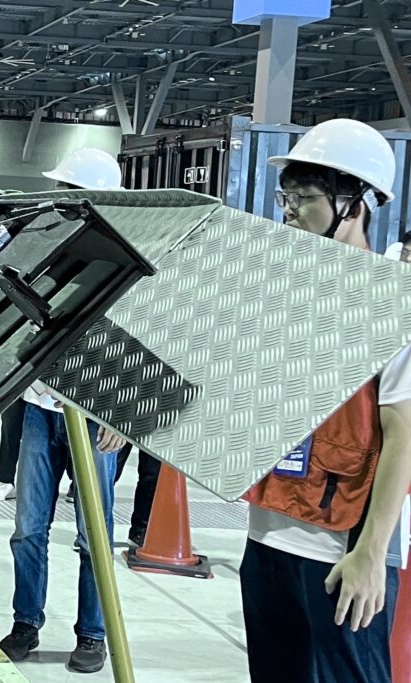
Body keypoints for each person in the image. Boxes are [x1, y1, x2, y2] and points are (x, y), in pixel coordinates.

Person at [241, 118, 411, 683]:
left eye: (305, 198)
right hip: (267, 531)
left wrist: (371, 554)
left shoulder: (392, 304)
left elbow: (404, 436)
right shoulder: (288, 296)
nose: (289, 211)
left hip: (340, 546)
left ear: (353, 205)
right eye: (286, 198)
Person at [0, 148, 128, 674]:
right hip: (40, 408)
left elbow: (143, 340)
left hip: (95, 416)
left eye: (69, 193)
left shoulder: (127, 258)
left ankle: (92, 634)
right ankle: (25, 623)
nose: (60, 202)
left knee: (92, 534)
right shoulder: (49, 246)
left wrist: (122, 415)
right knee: (28, 528)